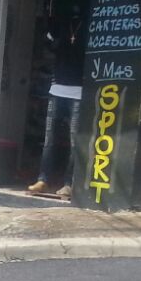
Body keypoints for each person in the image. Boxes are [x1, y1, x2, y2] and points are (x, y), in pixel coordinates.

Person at [28, 14, 84, 197]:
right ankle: (43, 179)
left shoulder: (88, 27)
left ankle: (69, 183)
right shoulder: (60, 24)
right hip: (57, 88)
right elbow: (49, 43)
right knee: (49, 139)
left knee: (74, 141)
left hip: (78, 90)